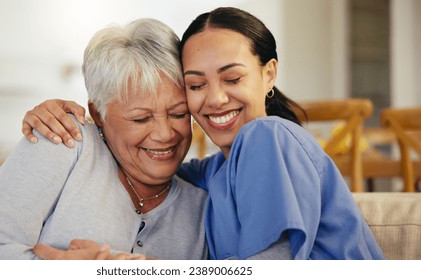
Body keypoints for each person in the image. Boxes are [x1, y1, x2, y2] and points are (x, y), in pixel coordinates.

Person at [21, 7, 383, 260]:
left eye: (233, 78)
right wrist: (80, 119)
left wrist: (134, 269)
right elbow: (141, 158)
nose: (216, 99)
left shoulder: (269, 137)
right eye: (195, 85)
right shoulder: (211, 174)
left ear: (269, 75)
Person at [0, 18, 208, 260]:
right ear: (98, 113)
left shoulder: (205, 204)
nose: (165, 134)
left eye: (179, 113)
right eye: (141, 119)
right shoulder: (64, 139)